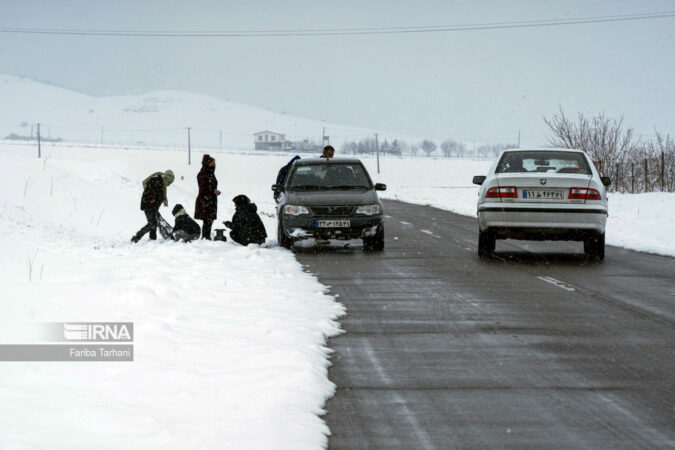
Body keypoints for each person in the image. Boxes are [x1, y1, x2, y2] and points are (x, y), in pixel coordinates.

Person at [131, 170, 175, 243]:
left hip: (153, 206)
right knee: (152, 223)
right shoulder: (156, 180)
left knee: (154, 223)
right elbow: (150, 189)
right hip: (148, 205)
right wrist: (153, 198)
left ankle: (152, 239)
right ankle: (137, 237)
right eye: (169, 182)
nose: (169, 184)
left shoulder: (161, 183)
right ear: (167, 178)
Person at [195, 154, 220, 240]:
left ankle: (206, 237)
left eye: (215, 164)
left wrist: (214, 191)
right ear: (207, 164)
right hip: (205, 201)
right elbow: (203, 188)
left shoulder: (211, 174)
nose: (214, 165)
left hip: (210, 200)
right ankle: (205, 238)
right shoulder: (202, 174)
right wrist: (213, 191)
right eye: (213, 163)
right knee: (207, 220)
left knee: (209, 220)